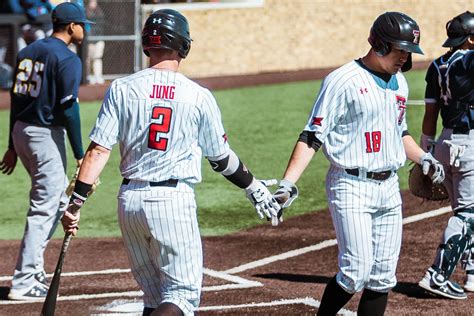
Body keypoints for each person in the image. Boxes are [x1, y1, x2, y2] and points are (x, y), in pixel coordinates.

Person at [61, 9, 280, 316]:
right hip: (171, 201)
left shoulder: (122, 89)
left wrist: (75, 204)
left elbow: (97, 151)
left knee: (153, 296)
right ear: (183, 45)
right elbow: (220, 158)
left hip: (129, 202)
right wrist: (253, 187)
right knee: (181, 296)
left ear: (147, 44)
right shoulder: (198, 95)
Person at [272, 12, 445, 315]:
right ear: (378, 44)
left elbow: (398, 133)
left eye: (408, 51)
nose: (404, 57)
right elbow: (313, 135)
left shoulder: (399, 84)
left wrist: (425, 157)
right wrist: (287, 184)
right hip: (351, 184)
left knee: (381, 278)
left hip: (389, 187)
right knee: (354, 273)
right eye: (399, 49)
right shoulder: (342, 81)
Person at [0, 2, 94, 300]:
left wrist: (12, 145)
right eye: (82, 24)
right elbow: (69, 110)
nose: (84, 29)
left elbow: (16, 99)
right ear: (70, 27)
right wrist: (81, 154)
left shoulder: (29, 51)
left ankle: (34, 268)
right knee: (45, 206)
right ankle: (24, 280)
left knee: (57, 201)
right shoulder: (68, 58)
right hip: (43, 136)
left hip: (22, 132)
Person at [418, 11, 474, 299]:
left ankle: (472, 270)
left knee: (465, 211)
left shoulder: (437, 65)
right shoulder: (469, 61)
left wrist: (426, 152)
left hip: (445, 143)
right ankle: (437, 275)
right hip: (469, 146)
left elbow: (430, 114)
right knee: (469, 213)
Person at [86, 0, 105, 84]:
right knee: (88, 59)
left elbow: (100, 26)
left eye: (94, 2)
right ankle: (89, 76)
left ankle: (98, 76)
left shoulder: (99, 13)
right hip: (89, 40)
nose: (93, 4)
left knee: (97, 58)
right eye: (91, 2)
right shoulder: (85, 13)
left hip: (98, 39)